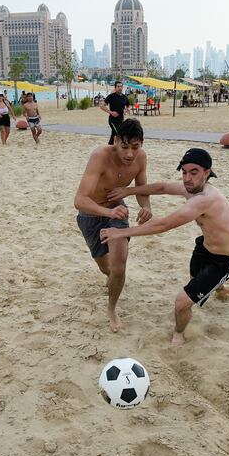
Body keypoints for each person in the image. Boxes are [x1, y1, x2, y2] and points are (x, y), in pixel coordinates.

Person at [101, 148, 229, 346]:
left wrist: (120, 232)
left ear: (207, 172)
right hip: (205, 248)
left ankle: (179, 335)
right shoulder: (192, 188)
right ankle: (221, 289)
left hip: (226, 260)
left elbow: (164, 225)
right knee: (196, 279)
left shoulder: (206, 199)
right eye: (184, 172)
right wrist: (128, 191)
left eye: (194, 172)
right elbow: (162, 188)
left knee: (182, 302)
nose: (187, 178)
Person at [74, 119, 152, 333]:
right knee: (106, 268)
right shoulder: (100, 156)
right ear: (115, 141)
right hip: (91, 214)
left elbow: (142, 189)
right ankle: (110, 277)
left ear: (141, 144)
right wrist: (107, 211)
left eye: (135, 147)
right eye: (124, 147)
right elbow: (80, 200)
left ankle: (112, 309)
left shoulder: (141, 158)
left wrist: (146, 207)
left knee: (119, 265)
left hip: (118, 211)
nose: (129, 154)